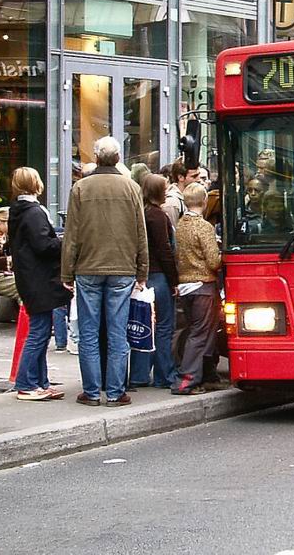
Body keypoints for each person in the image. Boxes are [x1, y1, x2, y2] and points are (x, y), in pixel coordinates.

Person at [61, 136, 148, 407]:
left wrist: (67, 272)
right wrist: (142, 270)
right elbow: (140, 232)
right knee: (117, 331)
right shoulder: (131, 187)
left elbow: (71, 235)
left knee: (88, 332)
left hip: (88, 267)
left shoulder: (81, 188)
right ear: (119, 158)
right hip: (122, 267)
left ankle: (91, 391)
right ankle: (115, 391)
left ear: (96, 158)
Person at [9, 167, 71, 400]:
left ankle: (40, 382)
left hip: (29, 277)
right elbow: (44, 246)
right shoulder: (34, 212)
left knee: (41, 331)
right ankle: (26, 383)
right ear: (35, 183)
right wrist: (65, 241)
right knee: (38, 333)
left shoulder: (19, 210)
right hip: (40, 279)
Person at [128, 174, 179, 390]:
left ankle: (139, 374)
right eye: (164, 187)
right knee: (164, 327)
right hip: (158, 275)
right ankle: (164, 374)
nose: (167, 191)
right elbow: (165, 250)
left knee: (142, 326)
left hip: (142, 276)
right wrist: (174, 279)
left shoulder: (139, 213)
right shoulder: (158, 216)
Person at [172, 183, 222, 395]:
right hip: (203, 285)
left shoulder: (181, 224)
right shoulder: (204, 227)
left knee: (196, 331)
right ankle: (186, 380)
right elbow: (213, 261)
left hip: (185, 286)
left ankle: (206, 375)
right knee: (201, 334)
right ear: (204, 201)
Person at [162, 158, 201, 228]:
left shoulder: (194, 197)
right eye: (194, 176)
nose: (199, 179)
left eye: (199, 175)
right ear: (180, 177)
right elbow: (172, 234)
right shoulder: (172, 203)